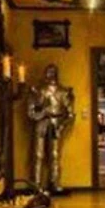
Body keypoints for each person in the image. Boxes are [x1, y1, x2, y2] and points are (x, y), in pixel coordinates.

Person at [27, 63, 75, 194]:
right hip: (41, 122)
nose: (50, 75)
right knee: (38, 154)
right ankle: (36, 183)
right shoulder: (38, 91)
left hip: (56, 123)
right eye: (48, 72)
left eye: (53, 72)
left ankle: (54, 182)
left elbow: (70, 114)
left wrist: (61, 126)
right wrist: (43, 113)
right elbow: (30, 112)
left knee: (55, 155)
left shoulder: (63, 92)